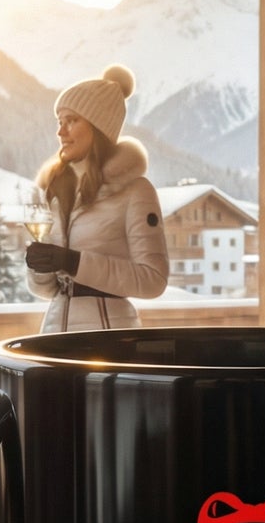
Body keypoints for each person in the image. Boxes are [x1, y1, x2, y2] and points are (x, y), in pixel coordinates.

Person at [25, 64, 167, 332]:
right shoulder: (57, 190)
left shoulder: (137, 191)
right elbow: (47, 290)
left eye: (72, 121)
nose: (60, 132)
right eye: (59, 121)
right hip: (55, 336)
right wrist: (39, 266)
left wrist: (73, 262)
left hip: (109, 337)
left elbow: (153, 280)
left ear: (98, 128)